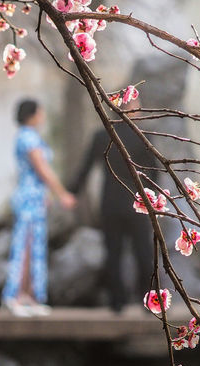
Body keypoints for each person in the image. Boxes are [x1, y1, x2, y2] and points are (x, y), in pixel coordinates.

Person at [67, 98, 160, 314]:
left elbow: (85, 168)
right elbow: (154, 173)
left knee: (113, 253)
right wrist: (153, 199)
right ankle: (149, 302)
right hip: (138, 203)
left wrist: (72, 193)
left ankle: (117, 303)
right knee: (143, 253)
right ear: (131, 109)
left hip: (110, 203)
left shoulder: (102, 136)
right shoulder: (142, 136)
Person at [3, 100, 76, 317]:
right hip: (28, 199)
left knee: (33, 246)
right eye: (40, 112)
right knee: (25, 245)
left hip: (35, 198)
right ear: (32, 115)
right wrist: (61, 193)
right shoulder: (28, 138)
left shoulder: (29, 137)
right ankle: (14, 294)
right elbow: (43, 169)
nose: (43, 116)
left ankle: (28, 294)